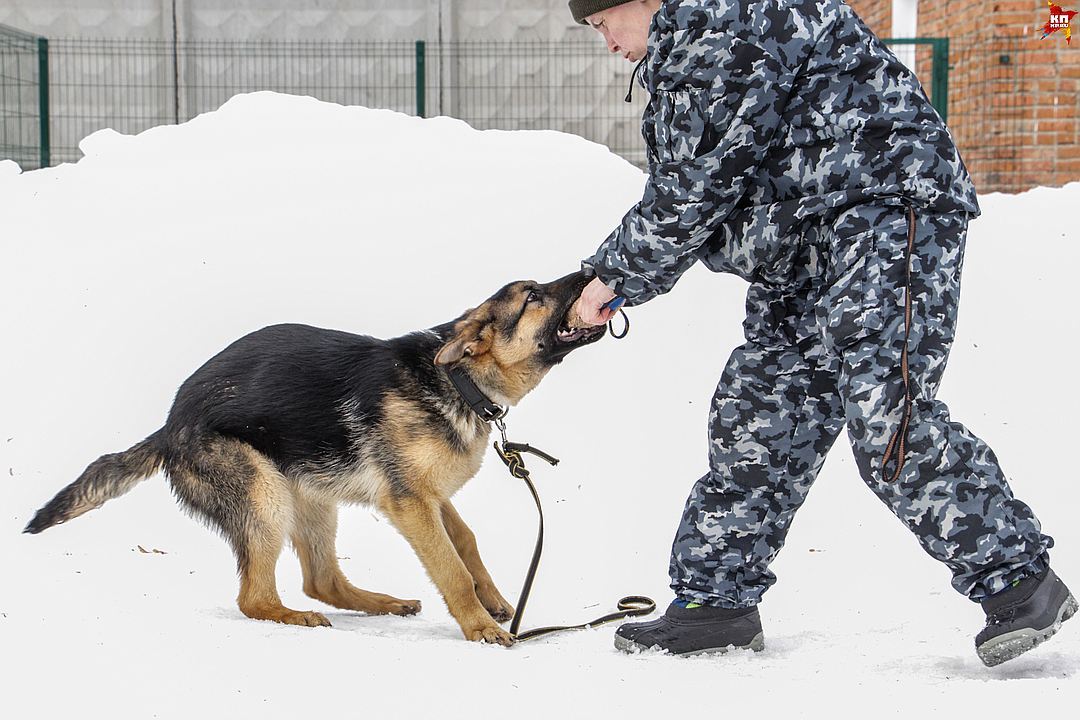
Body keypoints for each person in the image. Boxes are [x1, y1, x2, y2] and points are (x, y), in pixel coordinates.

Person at [567, 0, 1075, 666]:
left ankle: (1020, 578)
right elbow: (702, 184)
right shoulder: (685, 54)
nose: (606, 42)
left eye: (603, 22)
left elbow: (694, 191)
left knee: (883, 407)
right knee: (759, 418)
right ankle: (716, 604)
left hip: (885, 211)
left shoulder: (722, 31)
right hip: (802, 248)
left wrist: (604, 282)